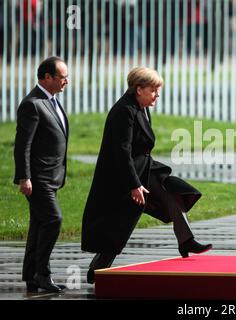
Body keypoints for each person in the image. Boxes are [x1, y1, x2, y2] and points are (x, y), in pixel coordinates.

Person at [81, 67, 212, 284]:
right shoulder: (125, 110)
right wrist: (134, 185)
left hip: (145, 168)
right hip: (122, 176)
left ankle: (186, 240)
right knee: (120, 223)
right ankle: (98, 268)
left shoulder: (140, 107)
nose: (157, 95)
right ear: (139, 89)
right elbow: (122, 152)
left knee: (172, 192)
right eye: (154, 90)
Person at [13, 56, 69, 293]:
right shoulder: (32, 104)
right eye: (62, 77)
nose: (66, 81)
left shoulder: (52, 100)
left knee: (39, 224)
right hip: (38, 179)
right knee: (53, 220)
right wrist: (24, 177)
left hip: (52, 177)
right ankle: (42, 274)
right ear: (46, 77)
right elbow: (22, 145)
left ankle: (31, 277)